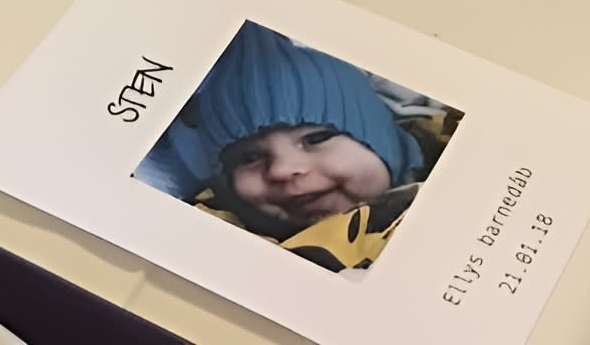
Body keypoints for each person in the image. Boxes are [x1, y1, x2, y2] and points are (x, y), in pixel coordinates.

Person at [154, 23, 456, 273]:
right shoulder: (247, 254)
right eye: (249, 157)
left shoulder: (461, 175)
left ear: (384, 138)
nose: (282, 170)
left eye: (316, 139)